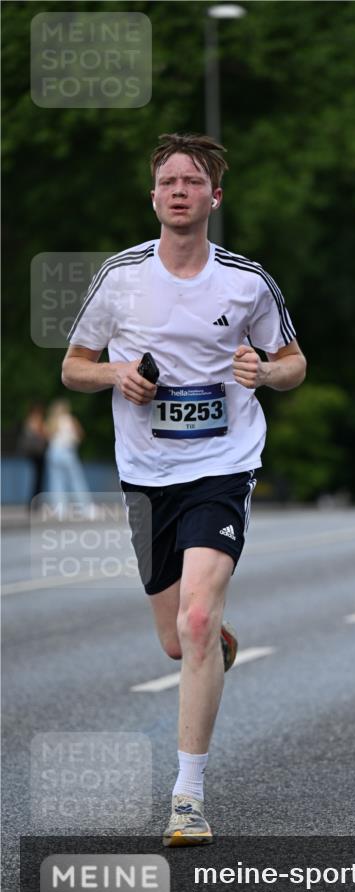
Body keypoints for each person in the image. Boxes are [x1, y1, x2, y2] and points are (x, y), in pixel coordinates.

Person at [61, 133, 306, 846]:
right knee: (175, 639)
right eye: (167, 181)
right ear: (153, 196)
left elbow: (293, 362)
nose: (178, 191)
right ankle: (211, 638)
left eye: (192, 182)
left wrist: (264, 371)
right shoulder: (121, 277)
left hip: (222, 466)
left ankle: (187, 797)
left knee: (196, 622)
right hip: (145, 475)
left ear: (213, 197)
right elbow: (75, 366)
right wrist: (116, 375)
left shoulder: (246, 282)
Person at [44, 398, 92, 516]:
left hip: (53, 452)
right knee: (76, 479)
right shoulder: (70, 420)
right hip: (67, 451)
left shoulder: (52, 421)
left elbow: (46, 435)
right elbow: (80, 434)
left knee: (56, 481)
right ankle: (85, 507)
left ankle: (60, 509)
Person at [18, 401, 48, 508]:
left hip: (33, 454)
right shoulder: (36, 421)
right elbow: (43, 434)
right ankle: (35, 502)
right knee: (38, 478)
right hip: (38, 453)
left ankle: (33, 501)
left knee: (37, 478)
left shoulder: (28, 421)